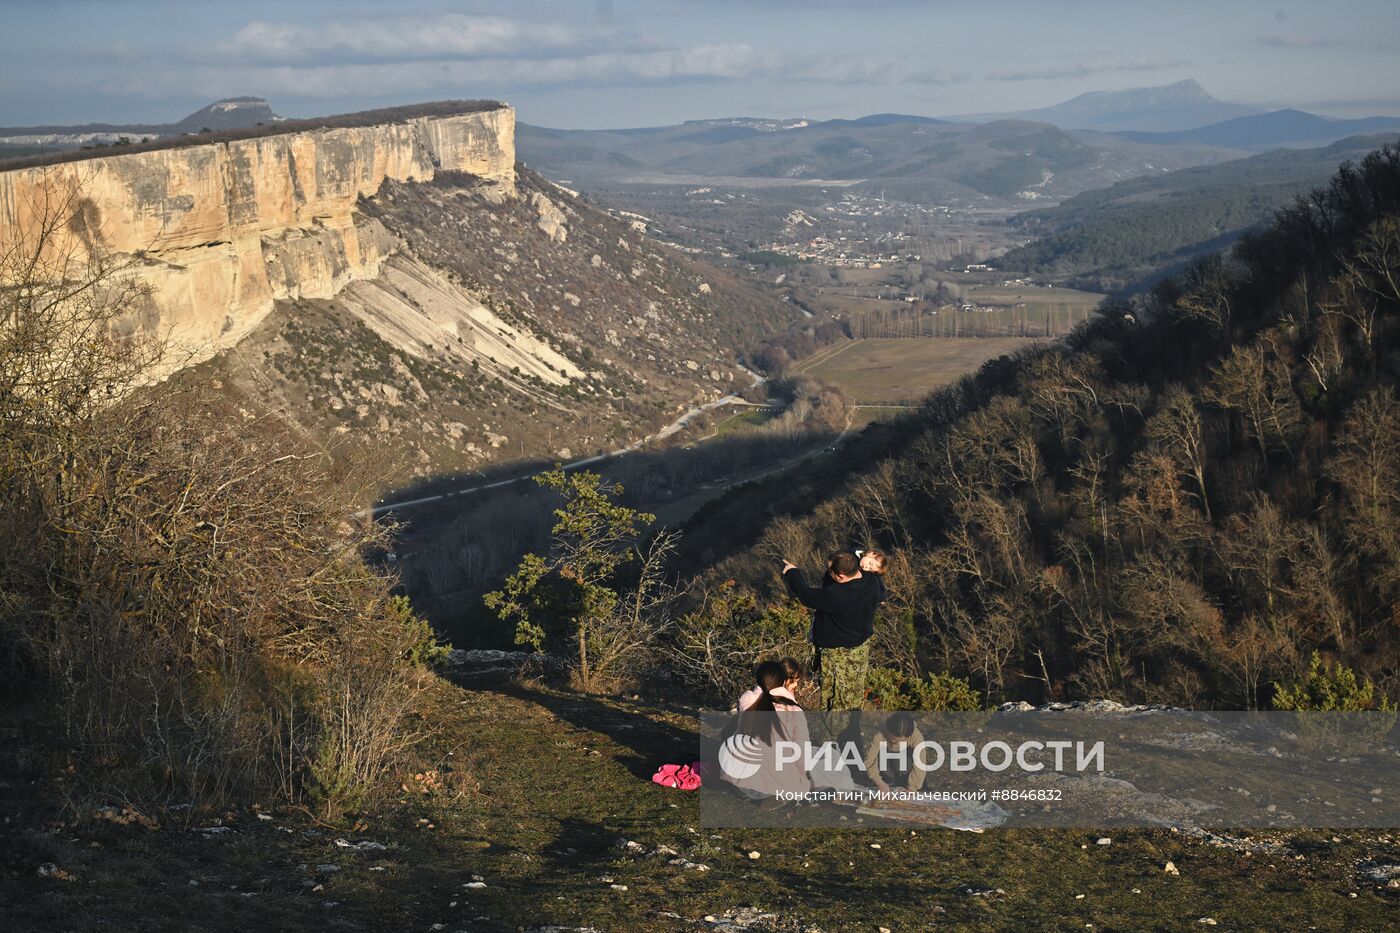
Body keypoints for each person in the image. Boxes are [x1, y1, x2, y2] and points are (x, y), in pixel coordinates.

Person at [782, 551, 878, 714]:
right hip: (859, 650)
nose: (827, 573)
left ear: (840, 577)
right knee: (852, 695)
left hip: (838, 657)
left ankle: (836, 736)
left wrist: (792, 572)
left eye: (830, 572)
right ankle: (849, 730)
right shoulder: (870, 580)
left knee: (835, 701)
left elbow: (806, 595)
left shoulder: (837, 596)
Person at [863, 712, 926, 793]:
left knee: (904, 771)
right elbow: (869, 760)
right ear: (889, 731)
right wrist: (878, 781)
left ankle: (904, 778)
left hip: (906, 753)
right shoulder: (880, 734)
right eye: (894, 739)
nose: (898, 743)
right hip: (885, 752)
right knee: (887, 776)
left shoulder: (916, 736)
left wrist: (913, 786)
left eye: (903, 741)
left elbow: (920, 762)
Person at [735, 657, 804, 713]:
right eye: (792, 682)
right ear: (783, 680)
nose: (796, 685)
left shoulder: (748, 697)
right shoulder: (788, 708)